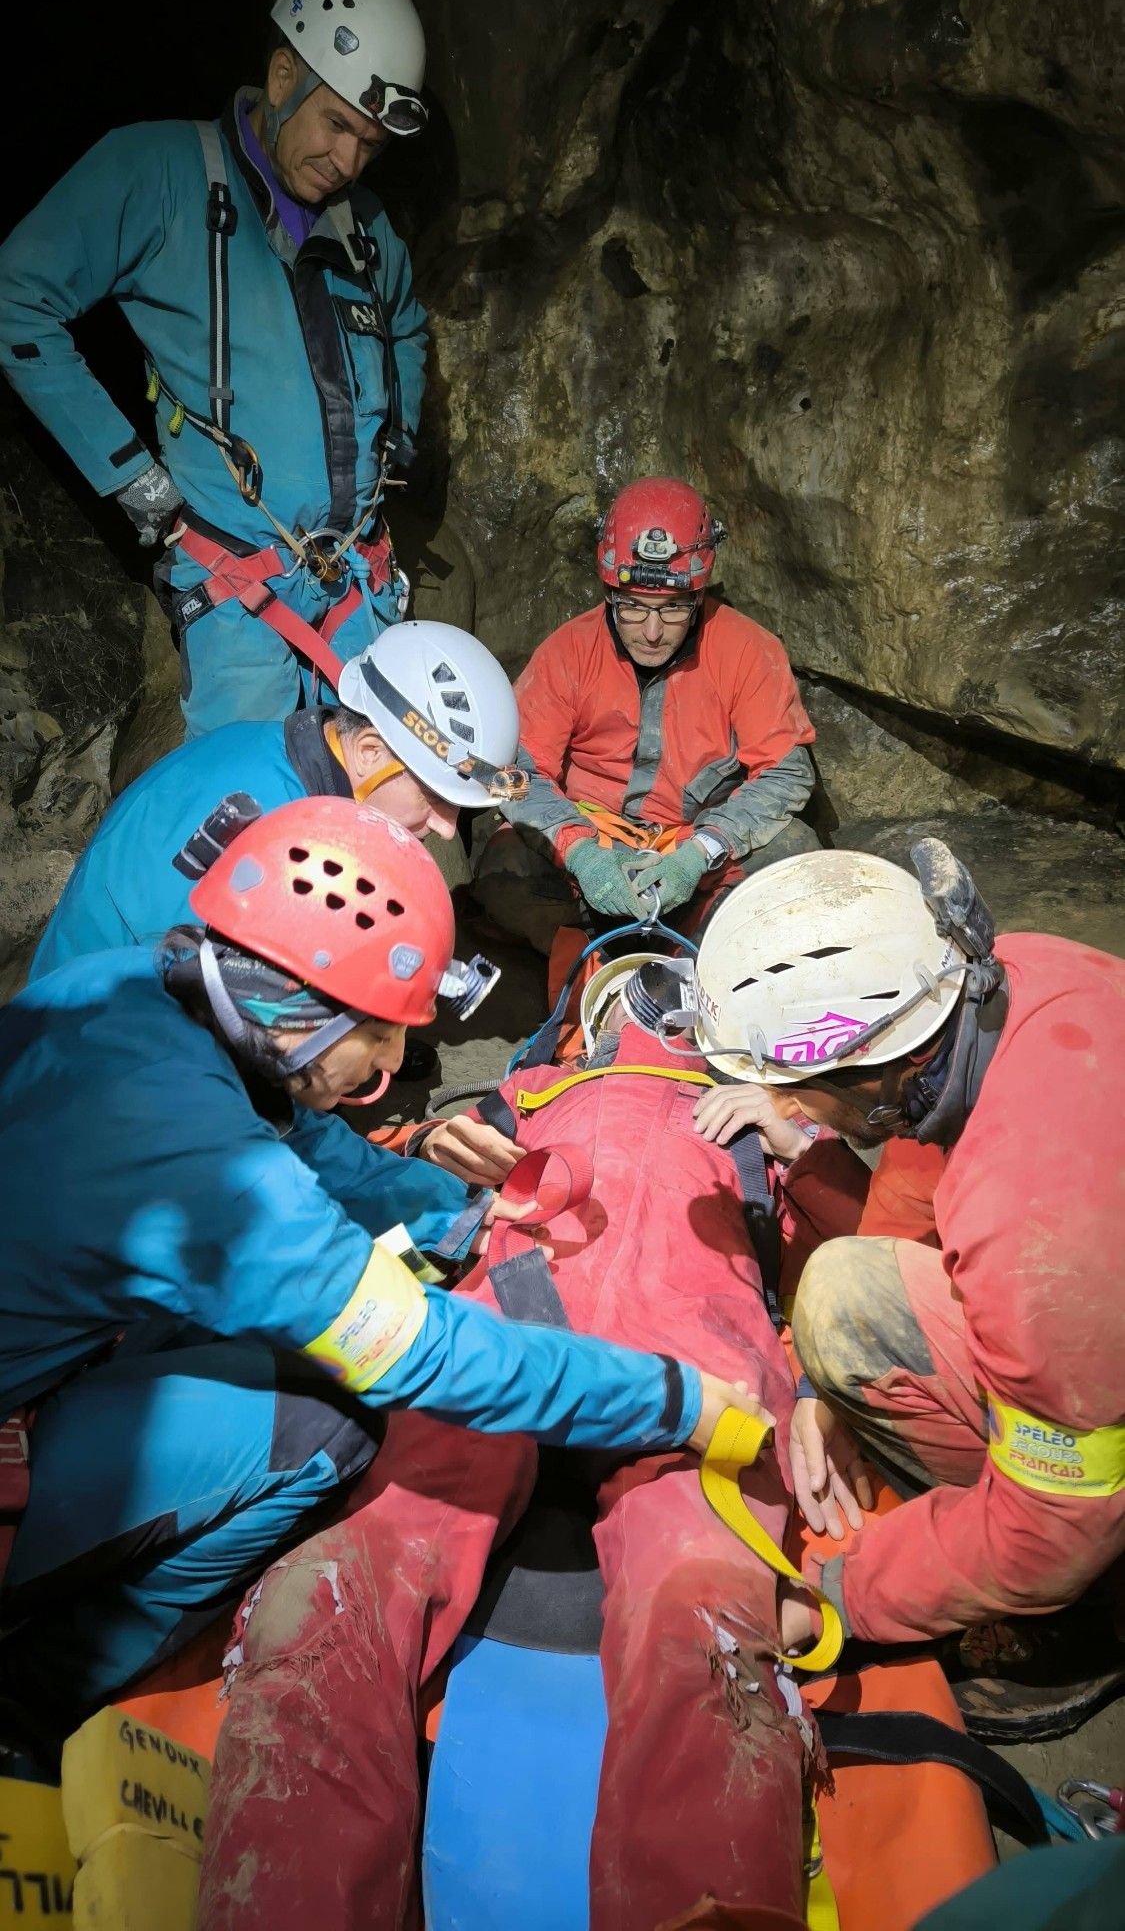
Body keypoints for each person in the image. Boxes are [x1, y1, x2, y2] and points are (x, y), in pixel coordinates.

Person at [0, 801, 746, 1754]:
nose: (394, 1068)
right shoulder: (195, 1157)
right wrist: (674, 1398)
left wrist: (458, 1214)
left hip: (45, 1328)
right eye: (383, 1035)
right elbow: (419, 1356)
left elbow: (302, 1138)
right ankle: (29, 1702)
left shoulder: (149, 990)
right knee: (326, 1424)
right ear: (309, 1007)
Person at [198, 957, 823, 1931]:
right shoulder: (530, 1089)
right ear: (585, 1017)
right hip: (505, 1331)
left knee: (701, 1603)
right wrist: (450, 1153)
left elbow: (857, 1224)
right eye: (625, 988)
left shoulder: (765, 1110)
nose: (646, 1007)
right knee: (340, 1583)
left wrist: (795, 1134)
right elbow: (413, 1186)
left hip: (685, 1334)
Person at [691, 840, 1125, 1737]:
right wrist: (823, 1384)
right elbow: (917, 1169)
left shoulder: (1034, 1236)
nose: (796, 1112)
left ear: (879, 1073)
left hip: (1082, 1369)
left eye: (804, 1095)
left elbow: (1054, 1522)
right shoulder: (999, 992)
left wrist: (835, 1596)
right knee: (843, 1299)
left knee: (1064, 1534)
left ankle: (1085, 1622)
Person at [0, 0, 430, 737]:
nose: (348, 162)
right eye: (336, 125)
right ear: (279, 77)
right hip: (239, 586)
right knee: (252, 822)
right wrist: (129, 475)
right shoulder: (157, 172)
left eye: (369, 144)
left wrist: (399, 432)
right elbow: (16, 300)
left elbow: (405, 322)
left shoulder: (365, 227)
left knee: (382, 812)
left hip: (357, 586)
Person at [31, 620, 525, 979]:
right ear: (371, 751)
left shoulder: (279, 749)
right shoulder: (270, 841)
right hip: (96, 1038)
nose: (444, 827)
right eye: (436, 797)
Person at [473, 475, 819, 955]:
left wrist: (703, 850)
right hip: (590, 841)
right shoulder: (569, 651)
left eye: (674, 608)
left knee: (797, 854)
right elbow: (510, 772)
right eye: (633, 607)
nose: (652, 631)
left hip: (692, 851)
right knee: (500, 866)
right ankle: (606, 951)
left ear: (698, 596)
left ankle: (685, 953)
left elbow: (786, 771)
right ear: (610, 591)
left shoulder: (747, 650)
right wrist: (580, 852)